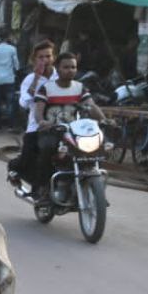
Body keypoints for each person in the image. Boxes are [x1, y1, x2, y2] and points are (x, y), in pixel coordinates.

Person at [33, 52, 105, 200]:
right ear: (57, 69)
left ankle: (96, 191)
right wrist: (42, 121)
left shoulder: (79, 88)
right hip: (52, 132)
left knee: (96, 149)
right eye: (66, 67)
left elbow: (91, 106)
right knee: (47, 149)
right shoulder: (46, 88)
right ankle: (42, 187)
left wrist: (104, 119)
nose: (70, 70)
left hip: (74, 132)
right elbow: (38, 111)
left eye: (73, 67)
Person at [10, 39, 56, 185]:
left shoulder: (60, 76)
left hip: (60, 124)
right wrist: (36, 79)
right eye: (41, 57)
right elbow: (23, 103)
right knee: (29, 159)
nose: (45, 61)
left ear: (53, 57)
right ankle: (14, 168)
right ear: (34, 60)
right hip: (37, 126)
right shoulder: (29, 79)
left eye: (48, 56)